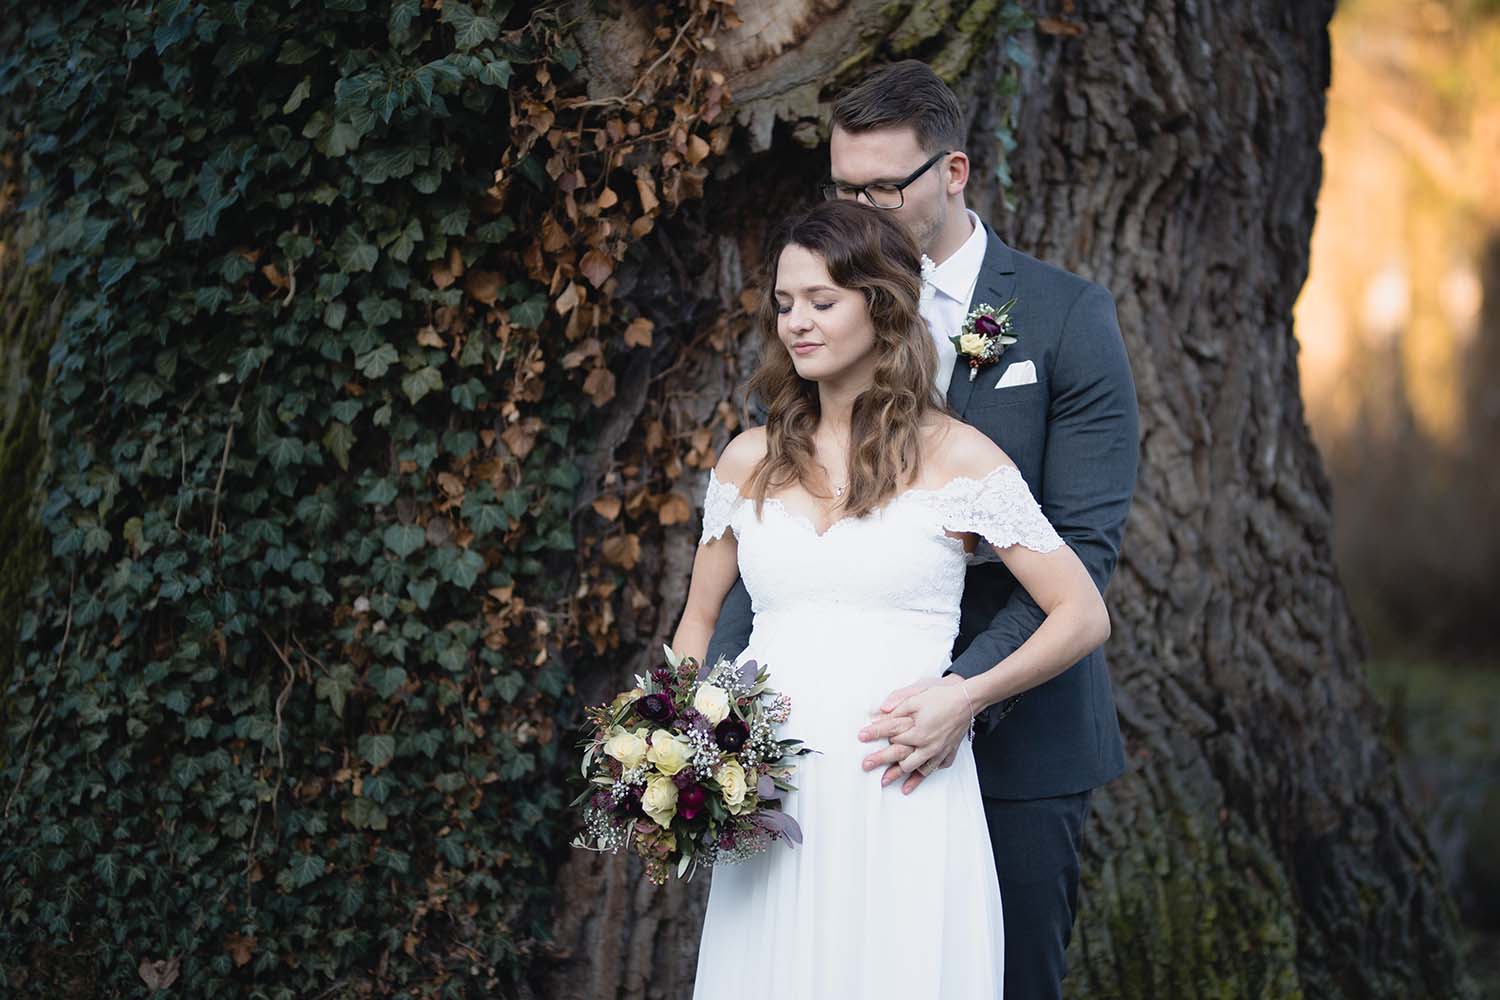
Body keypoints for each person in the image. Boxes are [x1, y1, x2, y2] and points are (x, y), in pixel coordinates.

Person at [704, 61, 1140, 999]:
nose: (858, 207)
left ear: (953, 174)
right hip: (819, 747)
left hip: (1020, 730)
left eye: (882, 189)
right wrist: (712, 722)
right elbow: (774, 548)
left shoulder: (1064, 319)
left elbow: (1083, 561)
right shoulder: (817, 322)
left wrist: (961, 694)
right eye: (842, 187)